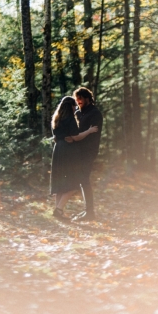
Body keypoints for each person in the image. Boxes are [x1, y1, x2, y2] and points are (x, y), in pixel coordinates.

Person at [50, 96, 98, 220]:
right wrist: (89, 130)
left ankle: (58, 211)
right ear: (70, 106)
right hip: (67, 151)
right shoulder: (69, 118)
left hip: (58, 150)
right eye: (74, 106)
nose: (75, 108)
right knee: (72, 183)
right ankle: (59, 210)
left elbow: (57, 136)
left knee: (60, 182)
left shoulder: (56, 118)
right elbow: (76, 137)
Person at [71, 87, 103, 221]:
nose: (78, 101)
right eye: (77, 98)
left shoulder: (95, 113)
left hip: (88, 152)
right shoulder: (79, 113)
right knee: (82, 181)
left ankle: (89, 212)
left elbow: (92, 134)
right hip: (78, 151)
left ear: (88, 98)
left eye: (81, 98)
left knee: (84, 180)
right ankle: (88, 212)